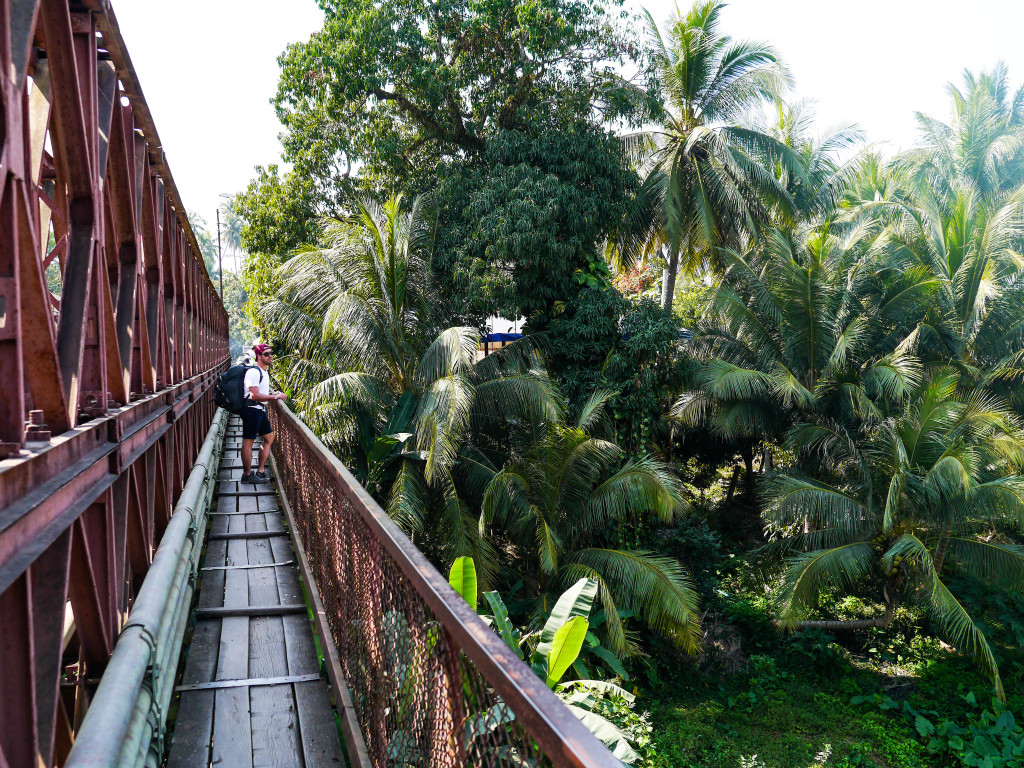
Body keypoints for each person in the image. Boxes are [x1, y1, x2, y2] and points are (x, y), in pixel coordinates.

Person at [239, 343, 286, 484]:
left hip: (260, 410)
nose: (270, 356)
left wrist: (273, 393)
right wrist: (274, 397)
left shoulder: (264, 371)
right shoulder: (254, 372)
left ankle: (260, 471)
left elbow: (262, 391)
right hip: (252, 410)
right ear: (259, 357)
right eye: (266, 354)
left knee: (269, 438)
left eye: (271, 353)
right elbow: (253, 395)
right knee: (248, 442)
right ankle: (247, 475)